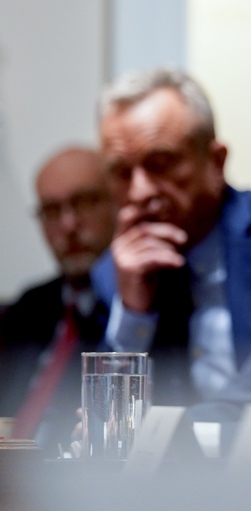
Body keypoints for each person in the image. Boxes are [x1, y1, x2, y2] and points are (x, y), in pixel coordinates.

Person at [90, 69, 251, 404]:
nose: (139, 191)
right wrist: (133, 314)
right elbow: (104, 421)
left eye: (161, 163)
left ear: (216, 162)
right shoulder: (113, 274)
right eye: (121, 173)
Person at [0, 147, 116, 448]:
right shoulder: (28, 308)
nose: (69, 225)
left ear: (118, 201)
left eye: (85, 202)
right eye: (52, 211)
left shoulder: (138, 309)